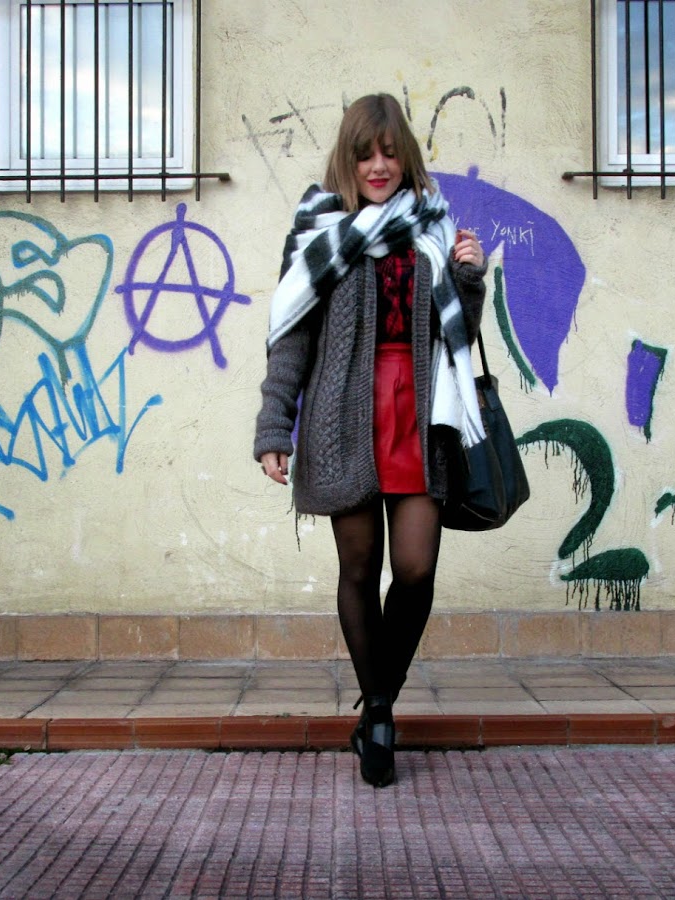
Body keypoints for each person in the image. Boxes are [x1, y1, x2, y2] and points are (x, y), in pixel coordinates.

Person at [254, 93, 487, 787]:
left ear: (405, 156)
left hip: (419, 413)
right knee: (358, 568)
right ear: (347, 160)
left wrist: (468, 278)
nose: (378, 166)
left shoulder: (433, 226)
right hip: (342, 417)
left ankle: (377, 700)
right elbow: (290, 336)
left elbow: (456, 334)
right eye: (365, 155)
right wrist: (274, 427)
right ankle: (379, 713)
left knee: (414, 570)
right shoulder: (318, 229)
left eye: (389, 153)